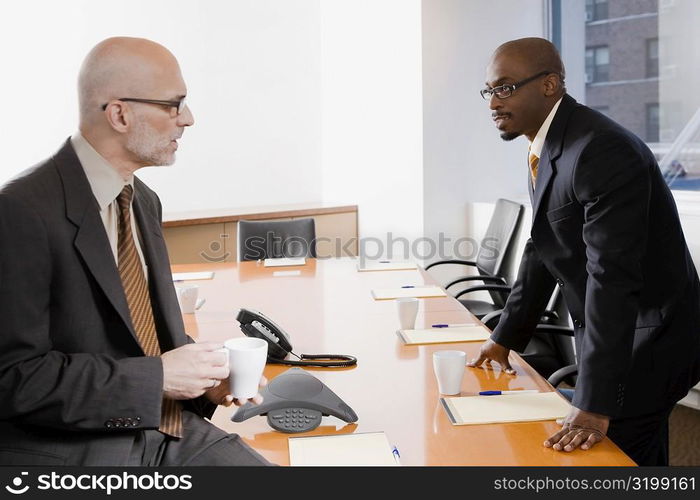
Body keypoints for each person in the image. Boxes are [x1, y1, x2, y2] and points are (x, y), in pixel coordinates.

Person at [0, 37, 271, 466]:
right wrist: (159, 379)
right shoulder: (19, 211)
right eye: (173, 105)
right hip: (75, 449)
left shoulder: (142, 200)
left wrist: (204, 380)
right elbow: (14, 379)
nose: (188, 119)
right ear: (120, 114)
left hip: (162, 428)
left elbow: (137, 334)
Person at [467, 37, 700, 466]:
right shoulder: (550, 143)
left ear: (549, 84)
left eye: (505, 88)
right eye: (489, 91)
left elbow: (611, 277)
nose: (493, 103)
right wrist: (504, 338)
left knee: (608, 459)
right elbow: (543, 249)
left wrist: (595, 402)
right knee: (636, 455)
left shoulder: (599, 149)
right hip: (621, 336)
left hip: (651, 339)